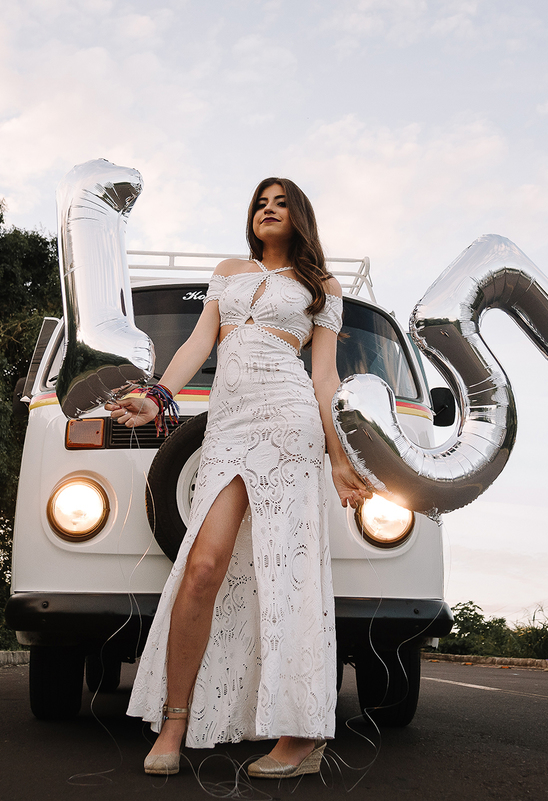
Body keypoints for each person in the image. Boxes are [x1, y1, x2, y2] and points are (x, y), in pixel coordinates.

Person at [111, 178, 371, 778]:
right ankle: (175, 720)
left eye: (280, 203)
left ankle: (300, 736)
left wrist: (339, 456)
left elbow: (325, 377)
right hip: (227, 428)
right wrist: (157, 396)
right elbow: (201, 342)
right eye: (260, 203)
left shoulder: (320, 287)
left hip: (289, 422)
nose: (268, 210)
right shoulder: (229, 271)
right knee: (203, 568)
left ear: (299, 215)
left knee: (288, 576)